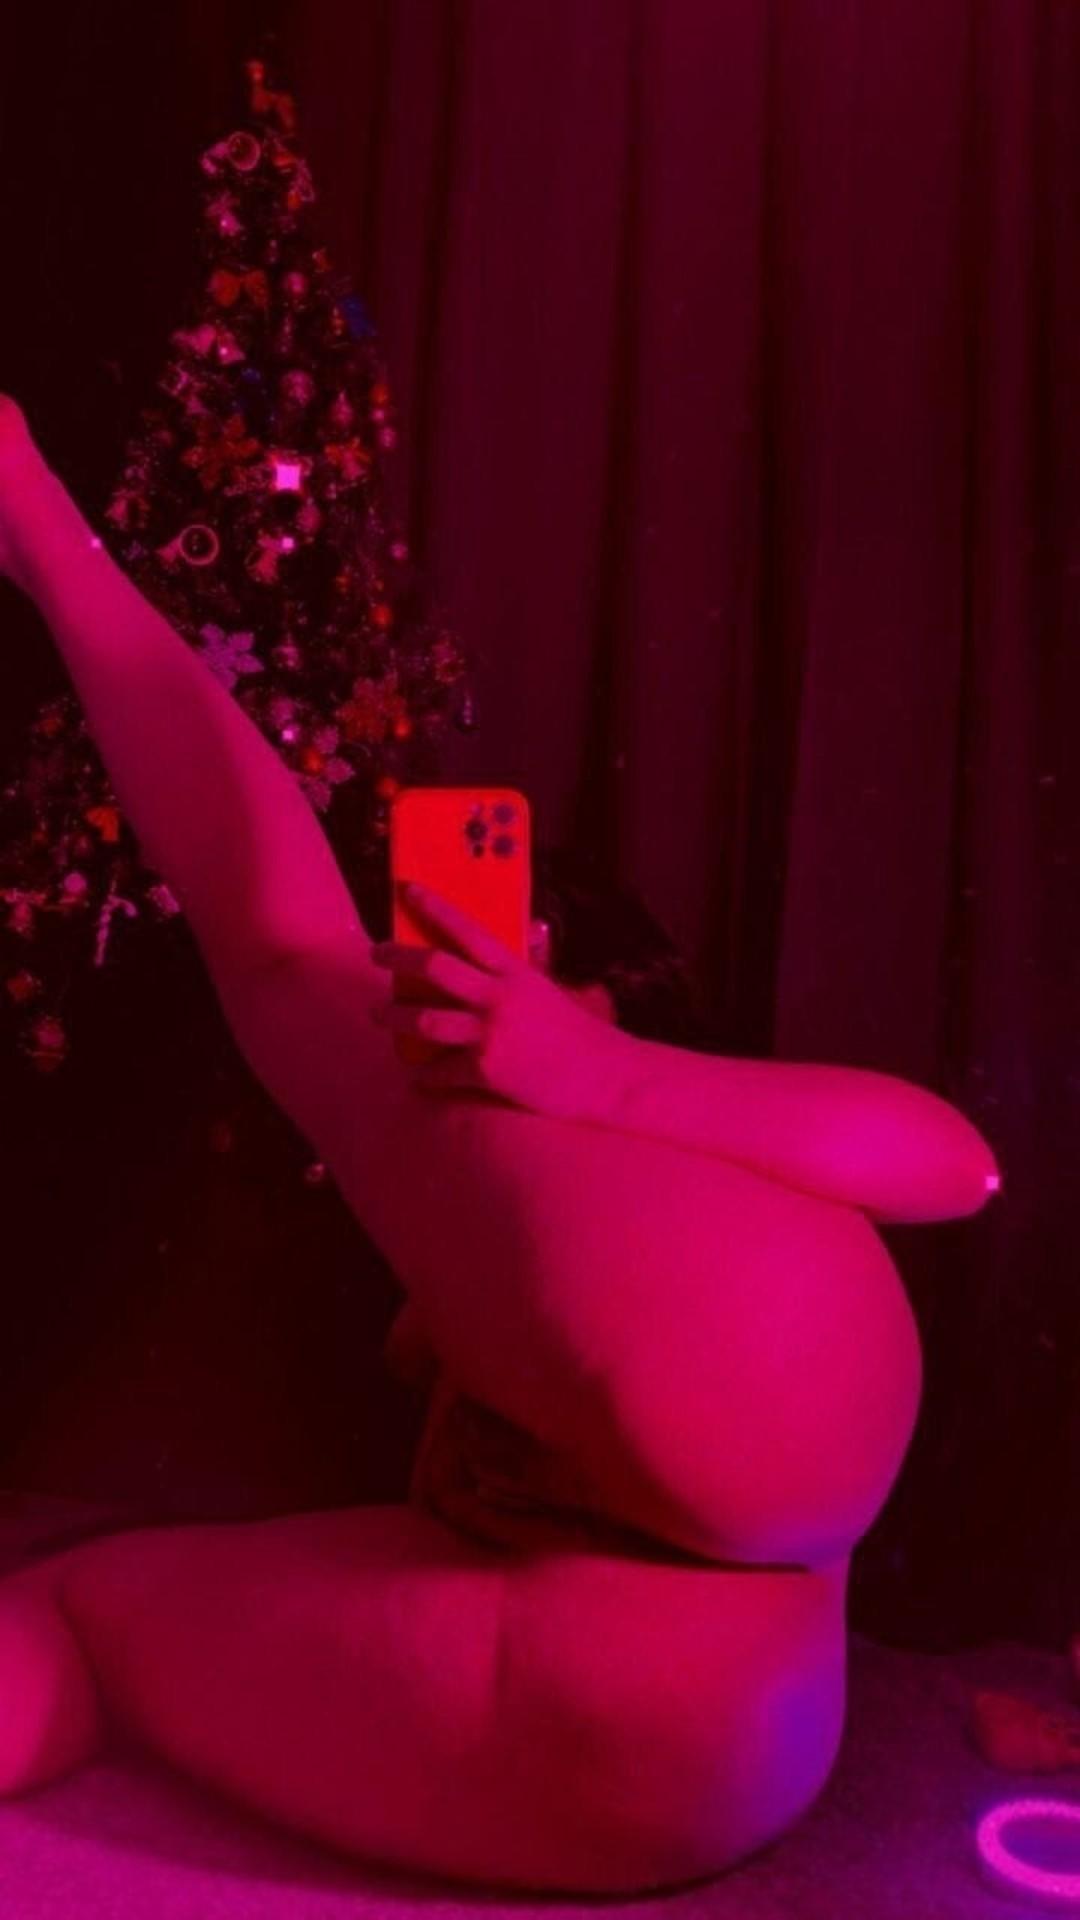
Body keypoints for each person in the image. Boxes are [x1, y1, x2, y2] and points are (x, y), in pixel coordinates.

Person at [0, 396, 985, 1895]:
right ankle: (35, 527)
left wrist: (599, 1074)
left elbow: (956, 1161)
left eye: (539, 974)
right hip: (687, 1741)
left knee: (283, 959)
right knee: (91, 1612)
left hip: (719, 1601)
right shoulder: (508, 1238)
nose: (493, 1008)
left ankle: (35, 524)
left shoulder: (686, 1135)